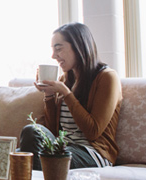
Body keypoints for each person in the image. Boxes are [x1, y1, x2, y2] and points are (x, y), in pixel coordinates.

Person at [19, 22, 122, 170]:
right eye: (53, 50)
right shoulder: (65, 80)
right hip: (63, 148)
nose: (54, 56)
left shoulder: (107, 77)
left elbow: (93, 131)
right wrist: (49, 96)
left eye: (58, 48)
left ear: (79, 47)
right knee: (14, 156)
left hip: (93, 153)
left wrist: (66, 93)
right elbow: (53, 133)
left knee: (31, 133)